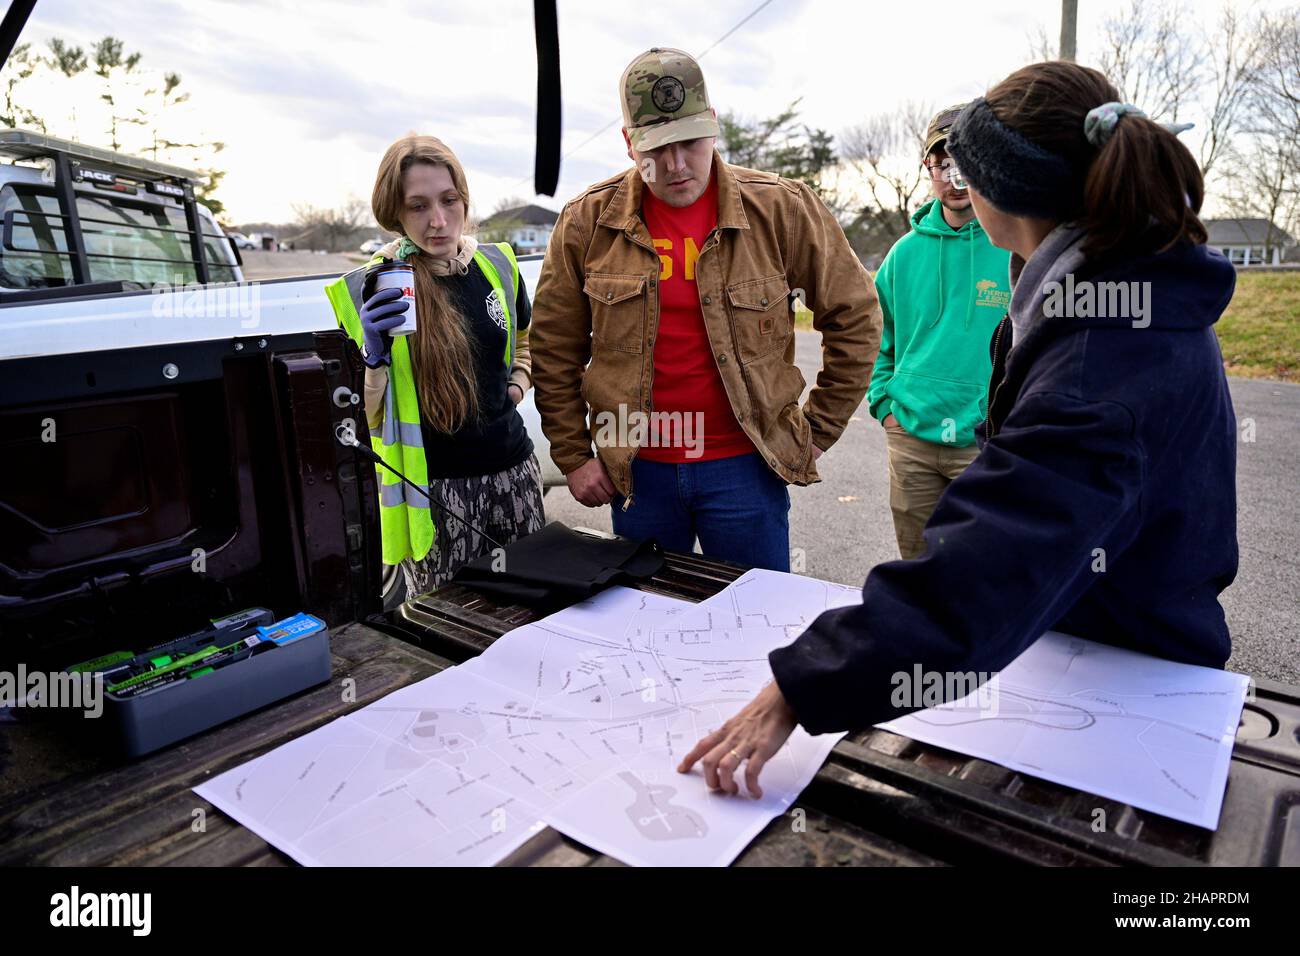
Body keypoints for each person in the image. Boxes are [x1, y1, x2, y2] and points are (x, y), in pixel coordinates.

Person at [678, 61, 1238, 798]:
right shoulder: (1118, 294)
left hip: (1127, 695)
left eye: (969, 172)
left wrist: (800, 686)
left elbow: (983, 576)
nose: (960, 188)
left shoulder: (1098, 364)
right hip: (1089, 648)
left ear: (1006, 192)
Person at [530, 47, 881, 572]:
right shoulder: (587, 222)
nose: (675, 165)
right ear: (628, 143)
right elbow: (553, 347)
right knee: (647, 629)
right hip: (637, 470)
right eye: (656, 147)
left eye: (690, 142)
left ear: (712, 126)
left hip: (744, 466)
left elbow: (855, 315)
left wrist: (819, 429)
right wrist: (574, 456)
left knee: (754, 627)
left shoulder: (781, 208)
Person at [325, 134, 545, 597]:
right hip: (437, 494)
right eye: (418, 206)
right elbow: (361, 420)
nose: (438, 221)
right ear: (395, 214)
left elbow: (525, 342)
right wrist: (372, 356)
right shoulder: (375, 287)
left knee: (533, 613)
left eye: (449, 201)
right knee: (457, 627)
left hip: (516, 474)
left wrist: (518, 386)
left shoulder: (498, 266)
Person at [869, 104, 1011, 558]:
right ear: (927, 167)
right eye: (943, 164)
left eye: (966, 165)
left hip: (986, 442)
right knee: (918, 567)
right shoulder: (902, 255)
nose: (954, 178)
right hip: (911, 437)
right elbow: (877, 338)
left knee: (985, 568)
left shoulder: (1015, 247)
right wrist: (885, 405)